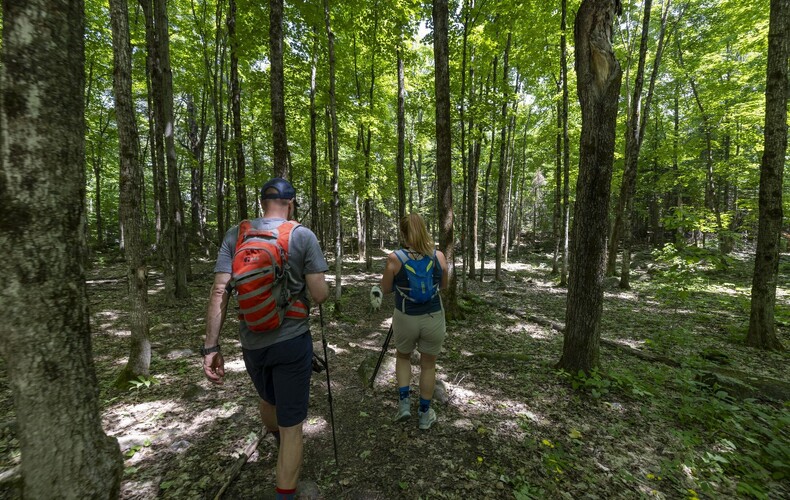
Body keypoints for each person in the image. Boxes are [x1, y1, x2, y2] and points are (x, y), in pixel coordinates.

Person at [202, 177, 329, 500]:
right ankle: (286, 483)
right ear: (292, 203)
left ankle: (277, 440)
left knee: (268, 398)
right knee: (293, 428)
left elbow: (220, 290)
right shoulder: (302, 236)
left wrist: (211, 347)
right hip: (291, 340)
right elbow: (319, 294)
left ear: (262, 203)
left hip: (252, 342)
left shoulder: (237, 235)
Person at [380, 213, 448, 430]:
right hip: (433, 317)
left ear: (403, 233)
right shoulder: (438, 256)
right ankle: (425, 415)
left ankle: (404, 405)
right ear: (424, 230)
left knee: (403, 357)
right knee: (428, 365)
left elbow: (386, 288)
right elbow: (444, 285)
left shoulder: (394, 258)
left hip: (405, 316)